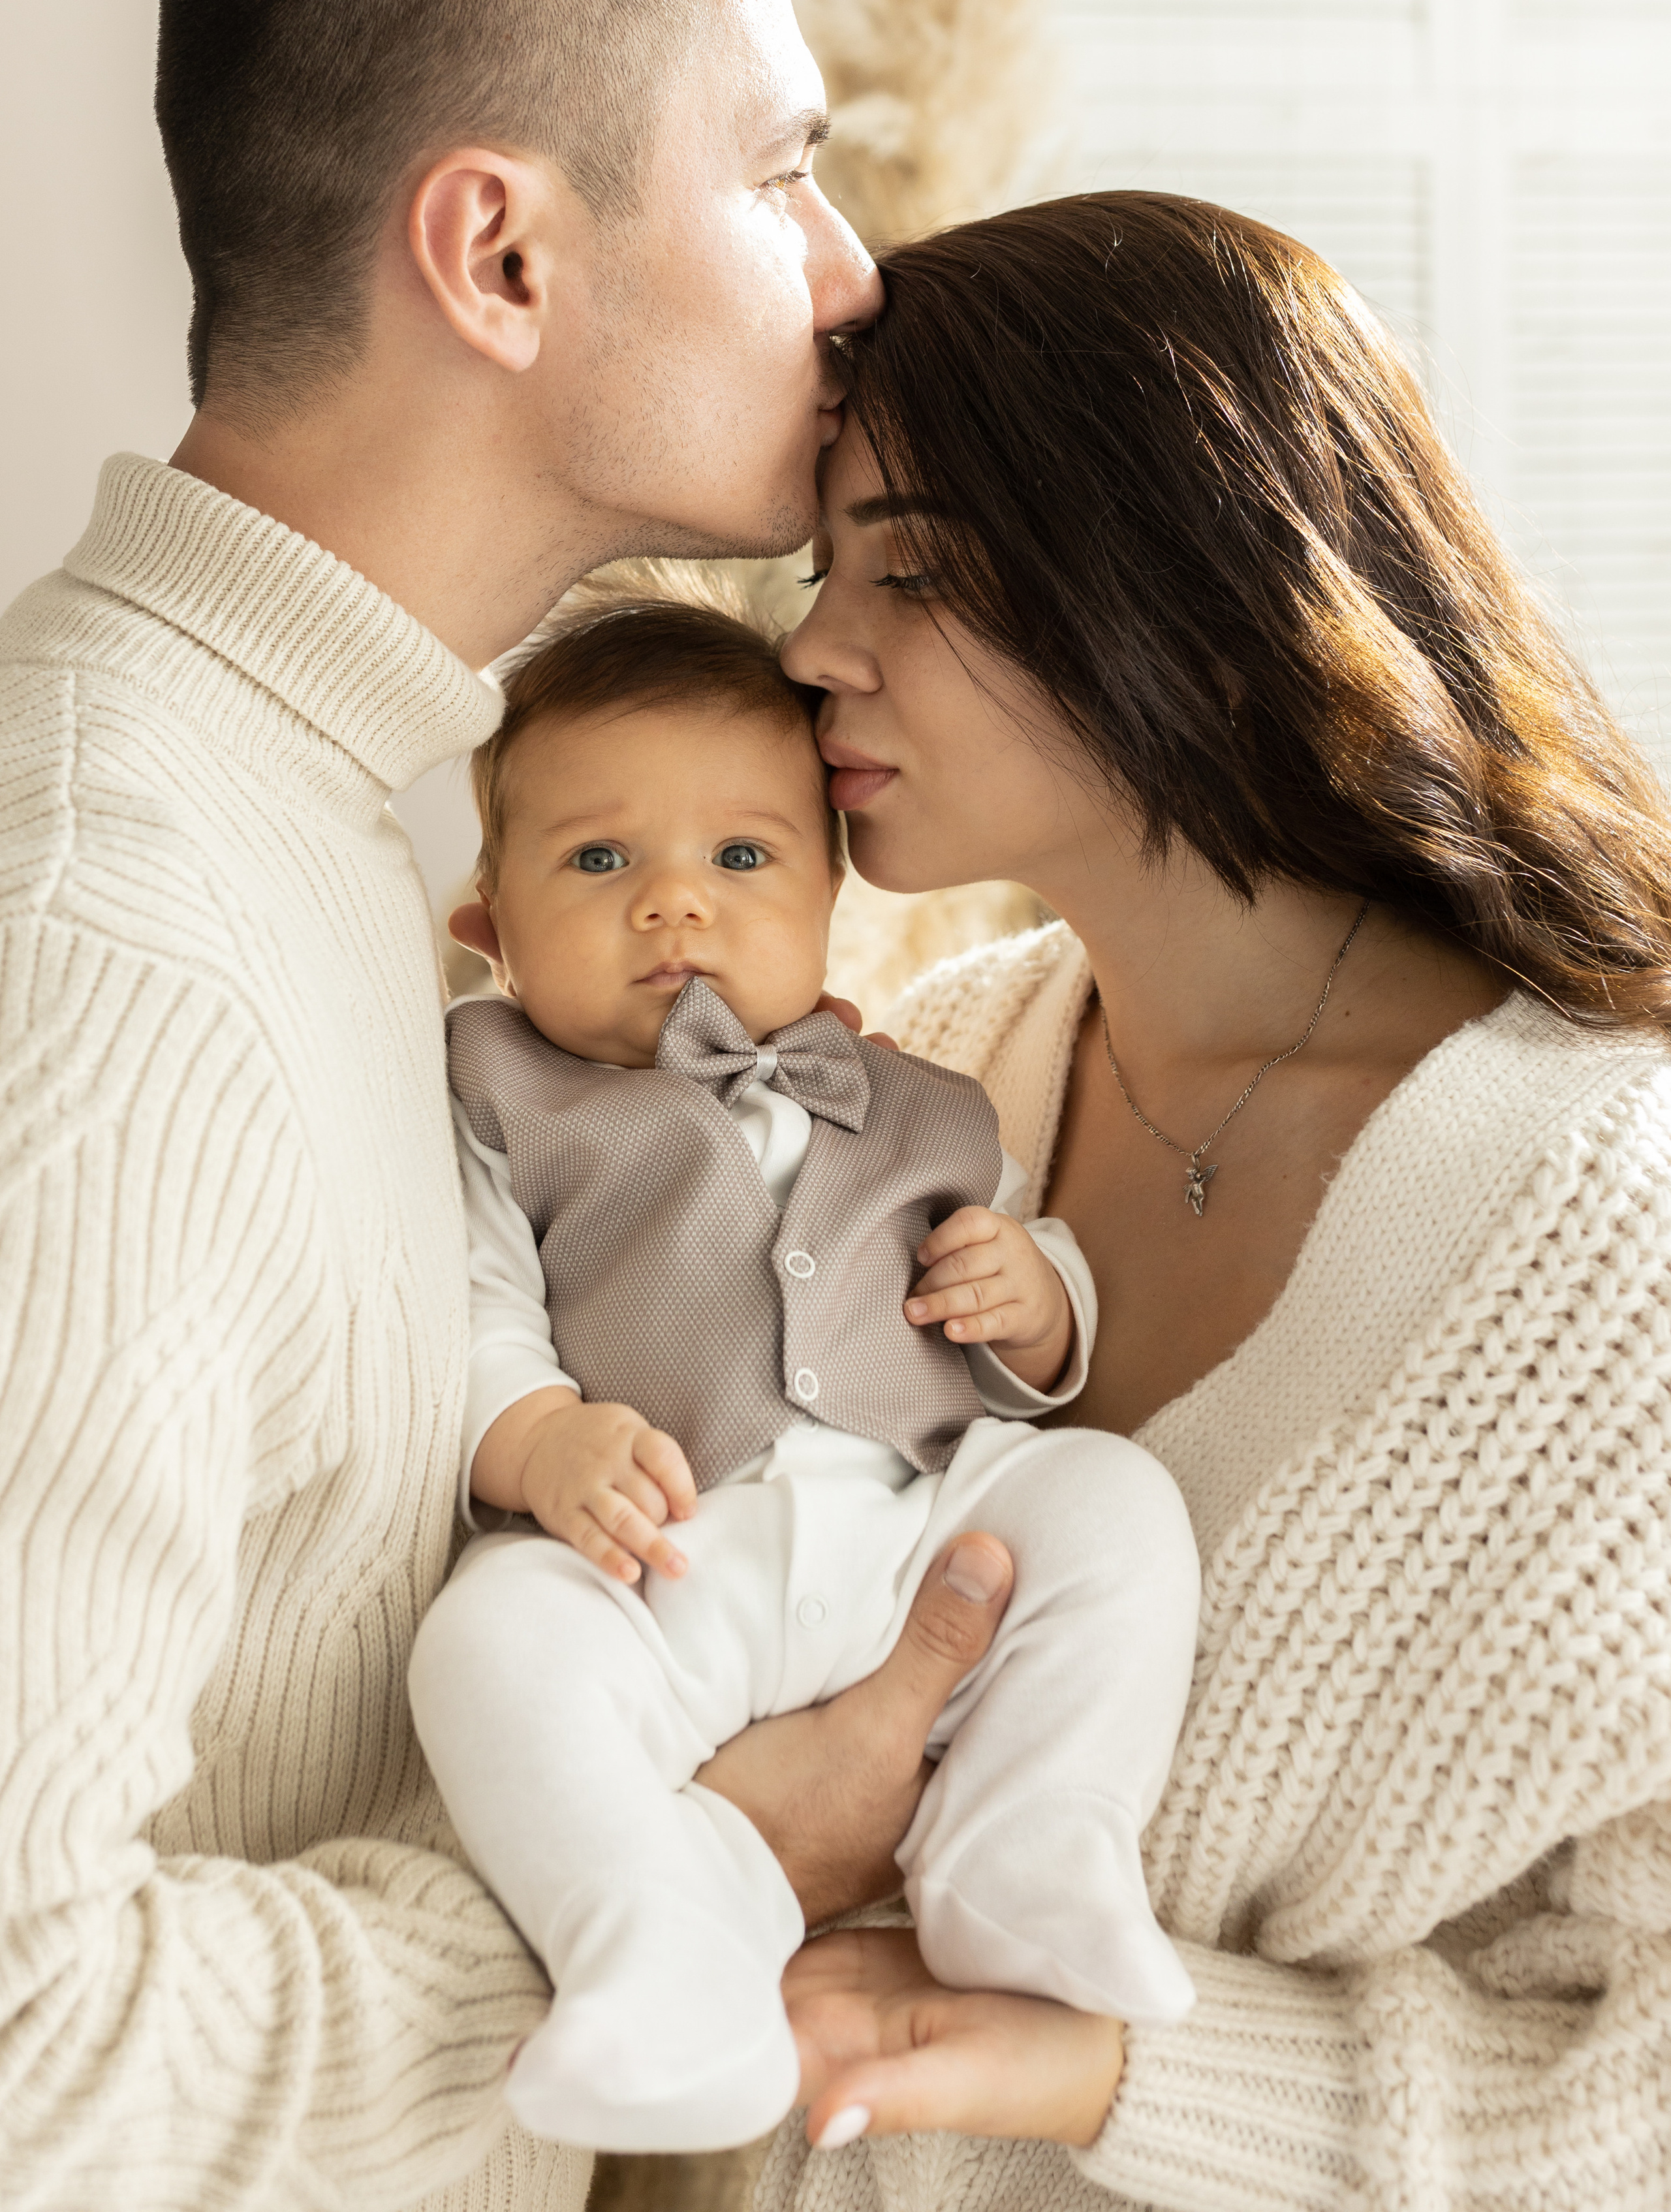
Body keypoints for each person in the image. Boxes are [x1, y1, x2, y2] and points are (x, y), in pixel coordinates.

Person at [0, 6, 1010, 2206]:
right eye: (777, 172)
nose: (851, 268)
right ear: (500, 257)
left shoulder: (318, 821)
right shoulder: (105, 939)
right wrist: (703, 1860)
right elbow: (19, 2051)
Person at [745, 190, 1671, 2208]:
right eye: (826, 567)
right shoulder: (938, 1064)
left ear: (1200, 565)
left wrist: (1108, 2074)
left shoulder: (1623, 1244)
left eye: (911, 566)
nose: (815, 644)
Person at [406, 591, 1199, 2153]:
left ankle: (1026, 1846)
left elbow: (1015, 1298)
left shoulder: (927, 1094)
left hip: (912, 1533)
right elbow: (477, 1308)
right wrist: (539, 1438)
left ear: (831, 889)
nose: (674, 909)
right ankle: (654, 1952)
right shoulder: (501, 1092)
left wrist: (1034, 1308)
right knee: (486, 1642)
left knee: (1109, 1496)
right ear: (487, 917)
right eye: (597, 860)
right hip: (668, 1558)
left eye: (741, 858)